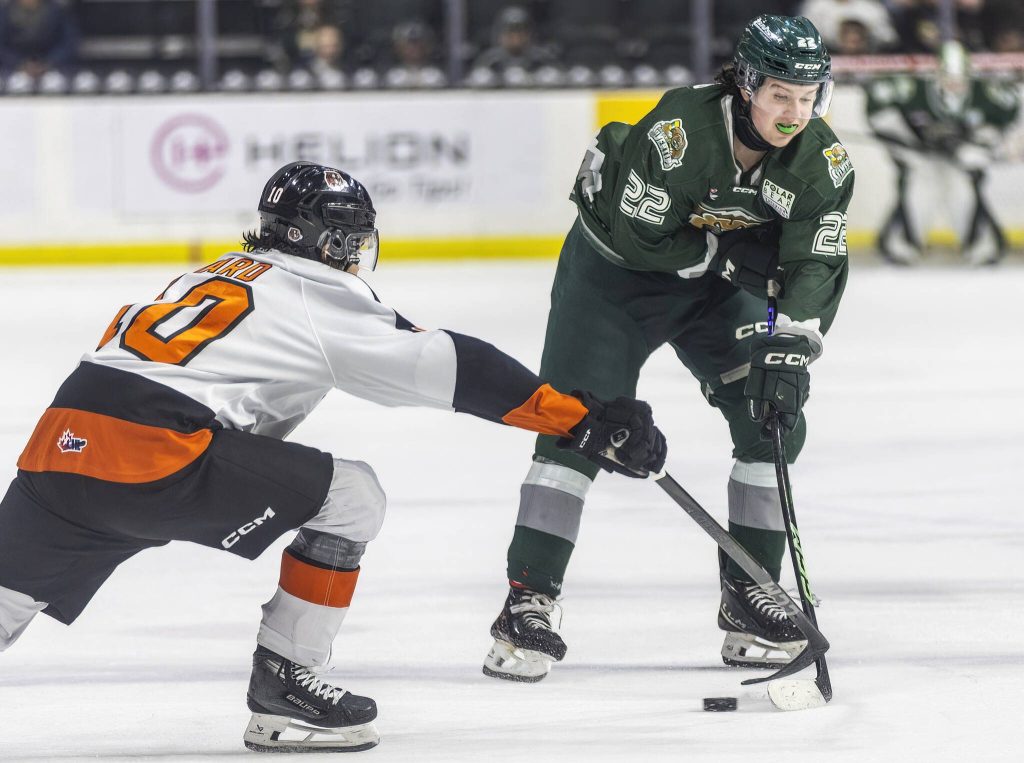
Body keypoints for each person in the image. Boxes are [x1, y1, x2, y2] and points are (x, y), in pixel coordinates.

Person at [0, 162, 667, 753]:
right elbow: (452, 365)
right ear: (339, 243)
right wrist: (583, 419)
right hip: (154, 453)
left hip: (57, 447)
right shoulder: (319, 291)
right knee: (353, 495)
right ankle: (286, 681)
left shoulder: (207, 273)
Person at [481, 14, 852, 683]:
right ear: (746, 86)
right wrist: (733, 253)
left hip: (709, 289)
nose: (795, 112)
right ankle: (527, 600)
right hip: (613, 281)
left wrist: (793, 342)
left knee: (771, 423)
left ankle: (749, 596)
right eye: (779, 95)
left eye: (807, 95)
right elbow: (638, 239)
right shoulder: (680, 135)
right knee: (572, 426)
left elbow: (816, 264)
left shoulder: (821, 164)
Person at [866, 40, 1021, 265]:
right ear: (937, 72)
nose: (954, 84)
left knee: (963, 188)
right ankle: (904, 244)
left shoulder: (986, 93)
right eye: (948, 76)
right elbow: (877, 107)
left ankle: (979, 244)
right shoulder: (913, 89)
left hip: (960, 156)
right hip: (921, 154)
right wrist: (904, 141)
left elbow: (1007, 116)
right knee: (919, 185)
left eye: (960, 78)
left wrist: (981, 143)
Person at [0, 0, 77, 77]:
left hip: (53, 66)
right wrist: (19, 64)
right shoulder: (5, 12)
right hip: (10, 68)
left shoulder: (56, 10)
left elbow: (69, 42)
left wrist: (49, 62)